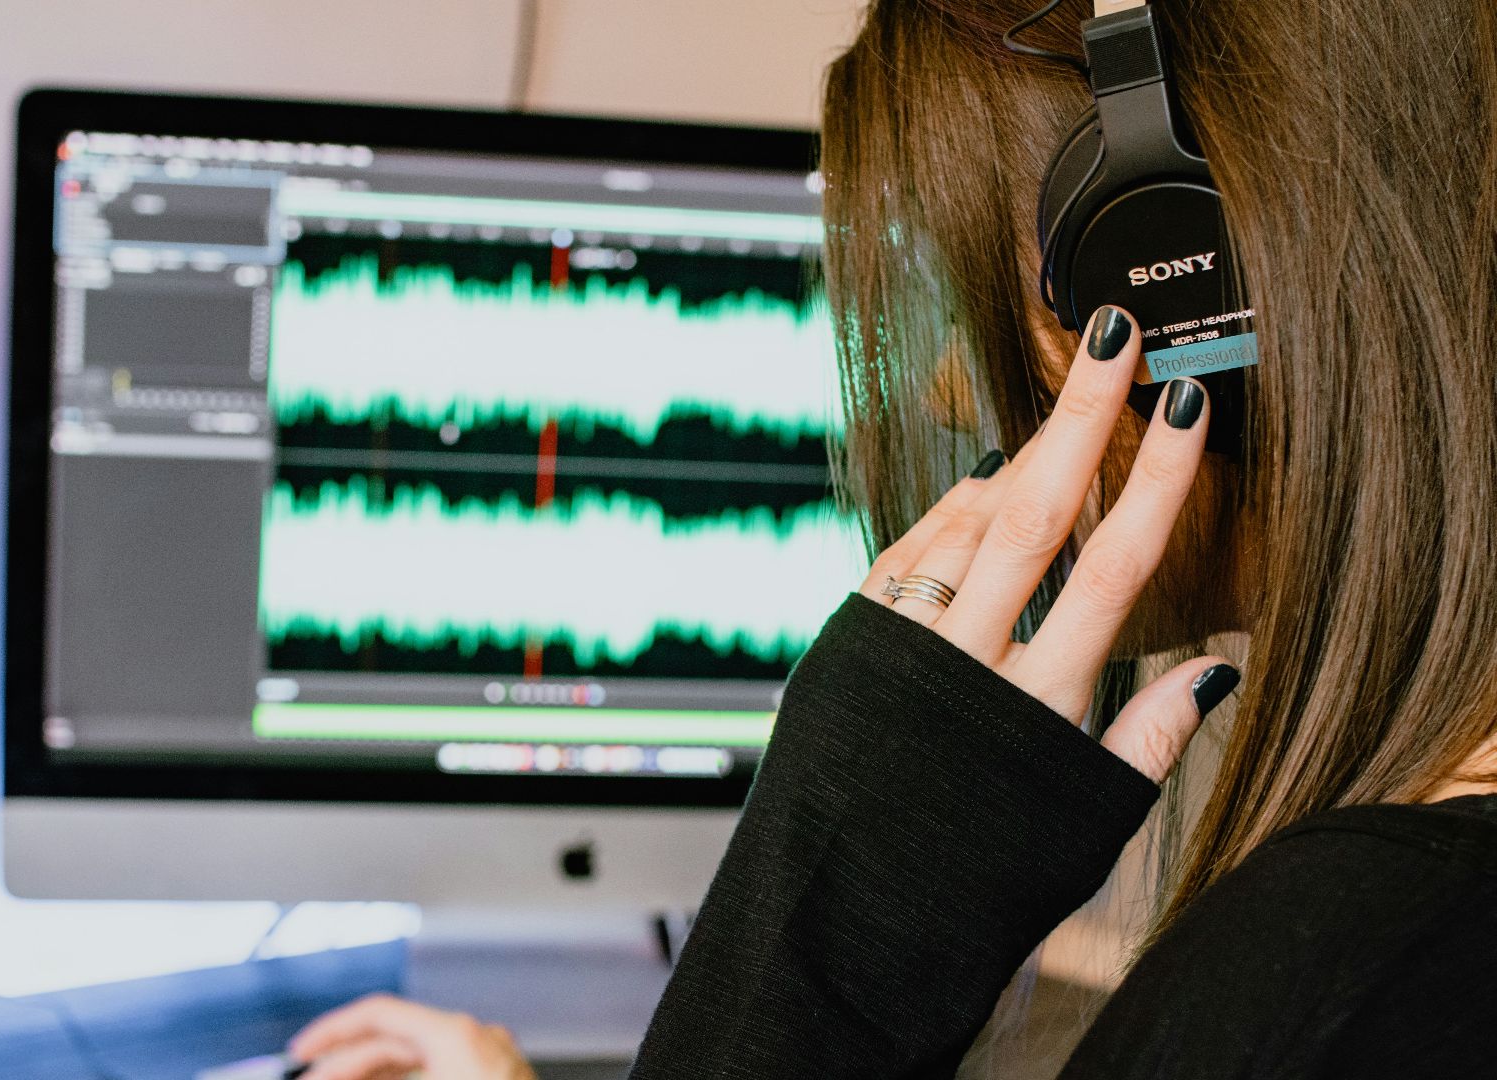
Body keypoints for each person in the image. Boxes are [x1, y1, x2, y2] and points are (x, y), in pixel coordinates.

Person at [283, 0, 1497, 1075]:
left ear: (1189, 291)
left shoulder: (1343, 964)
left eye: (984, 295)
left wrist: (836, 921)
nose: (939, 398)